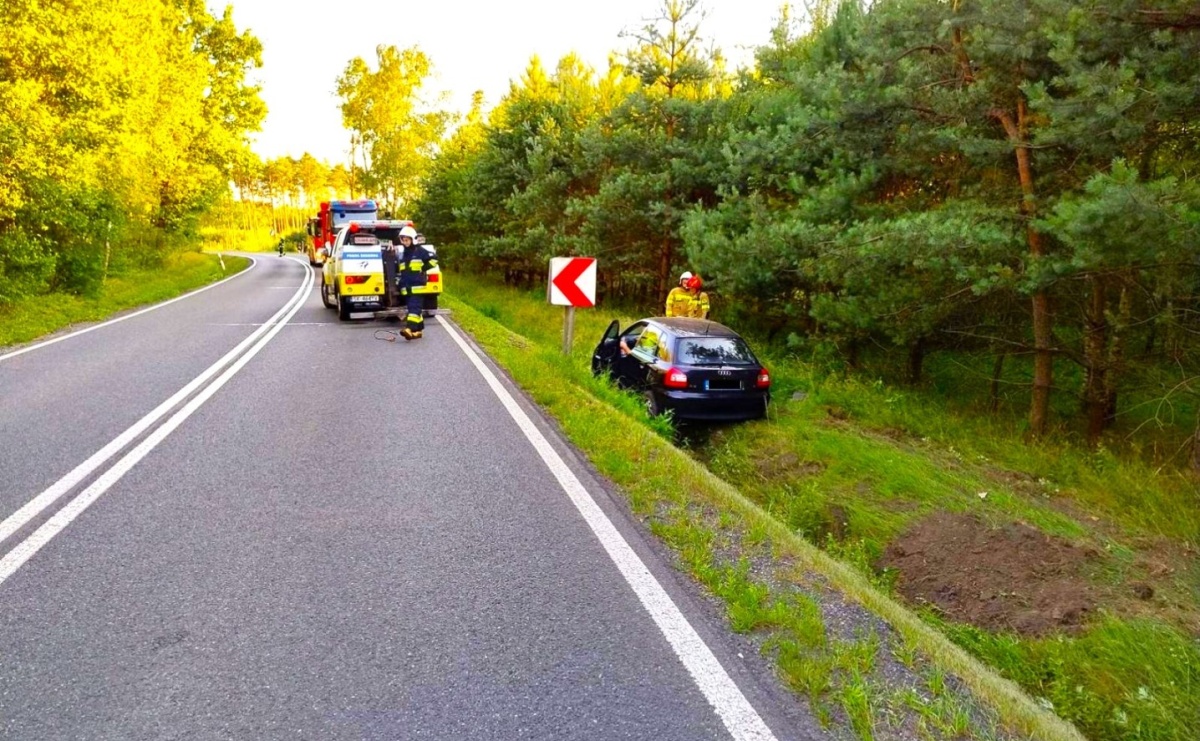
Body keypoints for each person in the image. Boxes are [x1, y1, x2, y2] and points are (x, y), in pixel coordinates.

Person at [396, 225, 437, 340]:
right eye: (403, 240)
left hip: (417, 287)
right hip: (407, 287)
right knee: (413, 309)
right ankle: (418, 331)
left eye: (407, 240)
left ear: (413, 239)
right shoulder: (404, 254)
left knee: (414, 309)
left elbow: (434, 259)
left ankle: (409, 329)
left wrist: (423, 268)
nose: (405, 242)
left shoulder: (420, 251)